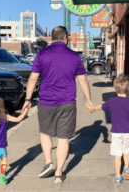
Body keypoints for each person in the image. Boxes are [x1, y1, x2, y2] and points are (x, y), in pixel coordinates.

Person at [22, 26, 95, 184]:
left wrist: (27, 101)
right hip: (67, 102)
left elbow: (33, 79)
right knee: (63, 138)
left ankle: (48, 162)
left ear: (51, 38)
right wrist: (88, 100)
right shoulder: (75, 56)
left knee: (45, 132)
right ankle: (58, 173)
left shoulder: (41, 55)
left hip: (46, 102)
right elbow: (83, 81)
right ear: (66, 38)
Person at [93, 75, 129, 184]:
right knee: (126, 152)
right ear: (128, 88)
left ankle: (118, 176)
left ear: (115, 88)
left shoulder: (111, 101)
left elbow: (101, 106)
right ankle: (127, 169)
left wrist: (92, 108)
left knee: (117, 155)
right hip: (128, 133)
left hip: (116, 133)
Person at [0, 98, 28, 188]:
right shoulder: (5, 117)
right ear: (1, 107)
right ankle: (3, 176)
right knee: (4, 160)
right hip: (2, 145)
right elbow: (18, 119)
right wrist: (25, 112)